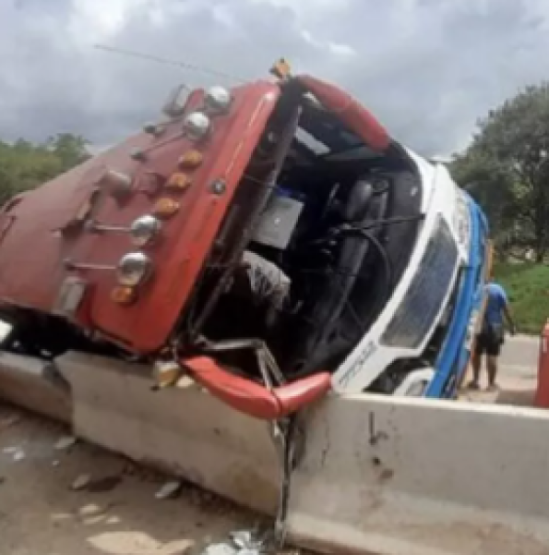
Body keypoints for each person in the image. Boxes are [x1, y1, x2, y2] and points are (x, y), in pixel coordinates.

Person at [468, 279, 516, 391]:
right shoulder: (498, 289)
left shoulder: (480, 290)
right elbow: (506, 308)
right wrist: (512, 325)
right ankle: (491, 384)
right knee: (492, 354)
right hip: (495, 326)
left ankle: (475, 381)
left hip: (480, 325)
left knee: (477, 353)